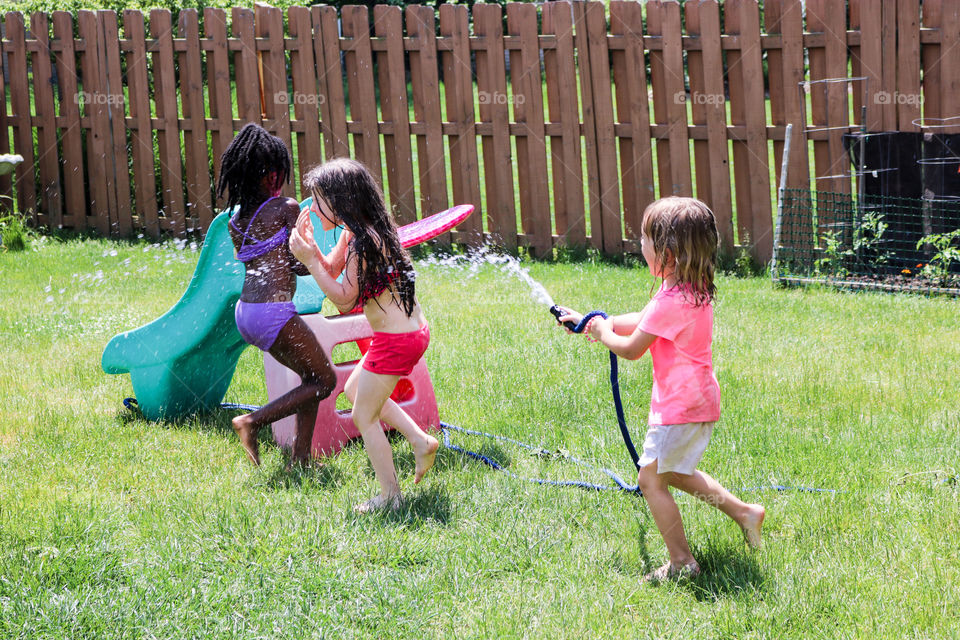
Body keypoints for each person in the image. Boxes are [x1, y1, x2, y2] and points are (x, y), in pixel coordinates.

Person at [557, 196, 765, 582]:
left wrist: (604, 334)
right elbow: (645, 320)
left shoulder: (671, 299)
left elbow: (634, 348)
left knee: (651, 480)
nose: (639, 244)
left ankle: (682, 563)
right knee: (676, 472)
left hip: (679, 406)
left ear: (667, 254)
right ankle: (745, 513)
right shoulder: (694, 288)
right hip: (697, 400)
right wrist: (595, 319)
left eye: (643, 238)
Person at [289, 158, 439, 513]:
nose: (312, 204)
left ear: (339, 201)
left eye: (318, 198)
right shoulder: (355, 233)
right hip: (407, 333)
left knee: (363, 416)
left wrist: (310, 261)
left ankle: (391, 496)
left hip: (397, 341)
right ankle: (421, 441)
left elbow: (344, 299)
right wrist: (314, 252)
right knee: (356, 391)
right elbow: (335, 271)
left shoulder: (364, 243)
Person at [217, 123, 337, 468]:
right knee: (325, 380)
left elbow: (279, 265)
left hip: (246, 313)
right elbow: (300, 266)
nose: (281, 181)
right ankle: (251, 423)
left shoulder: (235, 221)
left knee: (310, 378)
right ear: (269, 174)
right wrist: (311, 247)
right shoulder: (284, 208)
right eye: (279, 173)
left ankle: (300, 459)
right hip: (273, 313)